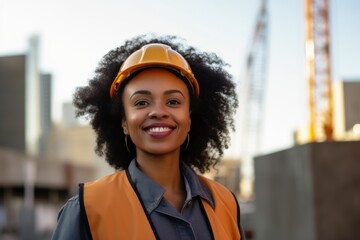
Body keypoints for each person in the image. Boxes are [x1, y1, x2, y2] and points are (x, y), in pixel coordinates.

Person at [51, 34, 246, 240]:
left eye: (173, 101)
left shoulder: (227, 204)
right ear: (124, 123)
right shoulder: (86, 210)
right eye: (141, 102)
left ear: (189, 119)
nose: (158, 112)